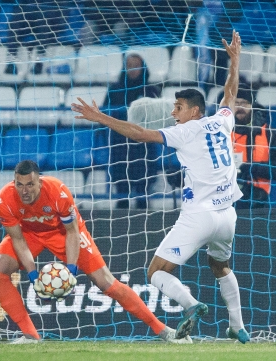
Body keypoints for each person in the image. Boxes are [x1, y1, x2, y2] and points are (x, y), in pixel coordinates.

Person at [72, 31, 250, 343]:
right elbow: (229, 95)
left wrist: (100, 116)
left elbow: (140, 133)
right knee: (220, 266)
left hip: (200, 215)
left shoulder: (187, 130)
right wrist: (234, 61)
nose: (172, 113)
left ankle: (192, 305)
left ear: (193, 111)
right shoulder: (221, 122)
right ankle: (238, 326)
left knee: (156, 271)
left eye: (178, 107)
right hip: (227, 217)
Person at [0, 160, 190, 344]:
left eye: (30, 184)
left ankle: (164, 331)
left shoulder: (58, 192)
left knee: (108, 283)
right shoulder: (4, 200)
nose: (24, 191)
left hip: (63, 233)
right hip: (29, 234)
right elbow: (18, 239)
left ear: (39, 181)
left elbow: (72, 232)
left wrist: (71, 273)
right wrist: (33, 277)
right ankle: (31, 336)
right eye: (19, 185)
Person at [103, 53, 161, 208]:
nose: (133, 69)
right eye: (130, 66)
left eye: (136, 66)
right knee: (122, 193)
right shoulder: (114, 90)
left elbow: (157, 116)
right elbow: (105, 114)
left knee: (143, 194)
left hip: (143, 146)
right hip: (120, 145)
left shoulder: (151, 91)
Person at [230, 86, 276, 209]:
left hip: (258, 201)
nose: (240, 107)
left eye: (244, 103)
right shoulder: (220, 132)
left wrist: (251, 168)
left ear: (252, 105)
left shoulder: (268, 133)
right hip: (225, 198)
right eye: (236, 103)